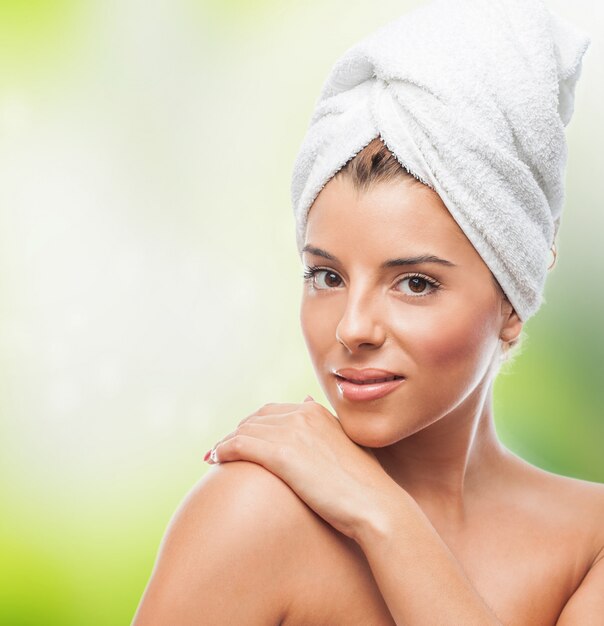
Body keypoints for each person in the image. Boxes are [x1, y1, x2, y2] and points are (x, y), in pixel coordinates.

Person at [132, 1, 603, 624]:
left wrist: (382, 516)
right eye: (326, 276)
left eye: (413, 283)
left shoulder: (588, 541)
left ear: (512, 302)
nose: (352, 328)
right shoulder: (251, 516)